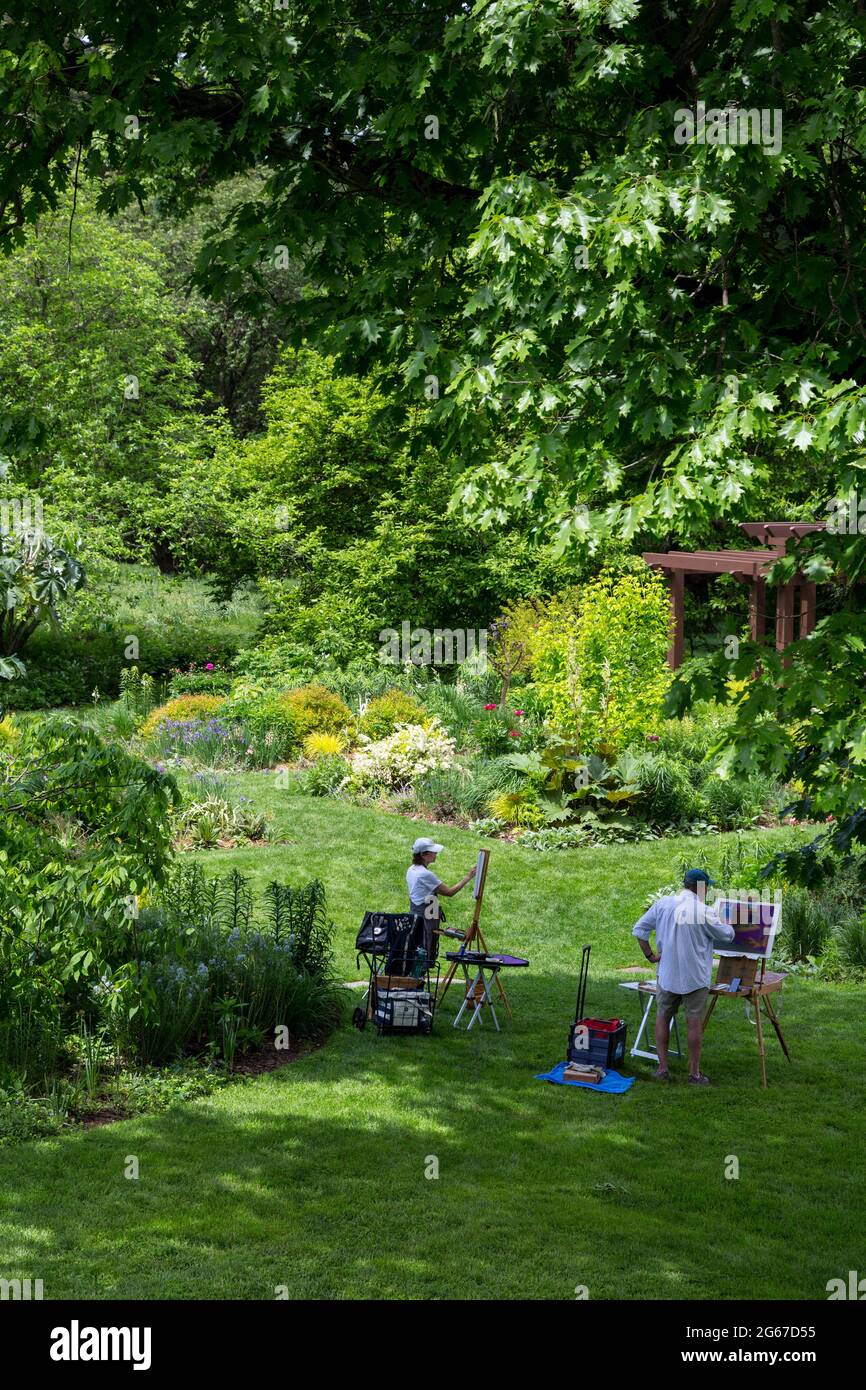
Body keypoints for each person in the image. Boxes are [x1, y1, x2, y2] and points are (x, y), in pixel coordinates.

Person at [631, 868, 735, 1086]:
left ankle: (662, 1069)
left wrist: (650, 956)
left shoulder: (663, 904)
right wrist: (725, 921)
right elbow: (727, 935)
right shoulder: (703, 910)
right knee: (693, 1022)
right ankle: (694, 1074)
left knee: (662, 1016)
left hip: (667, 973)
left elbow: (640, 930)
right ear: (701, 887)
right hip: (694, 977)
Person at [406, 838, 475, 921]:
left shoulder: (411, 869)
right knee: (427, 934)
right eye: (433, 852)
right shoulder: (424, 874)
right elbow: (449, 892)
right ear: (423, 854)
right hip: (425, 917)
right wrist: (468, 877)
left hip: (415, 912)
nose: (436, 853)